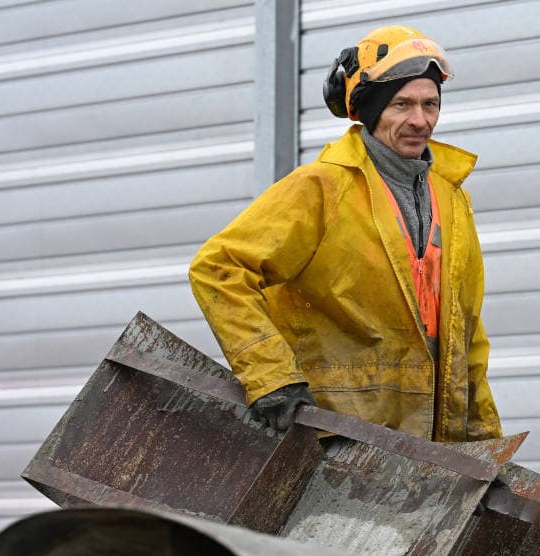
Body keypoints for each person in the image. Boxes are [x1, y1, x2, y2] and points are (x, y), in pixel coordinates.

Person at [189, 25, 502, 443]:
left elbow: (467, 332)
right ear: (370, 110)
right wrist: (272, 377)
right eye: (401, 104)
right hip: (334, 439)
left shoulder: (452, 200)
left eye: (430, 104)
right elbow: (219, 268)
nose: (419, 120)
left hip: (425, 449)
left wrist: (484, 445)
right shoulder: (321, 187)